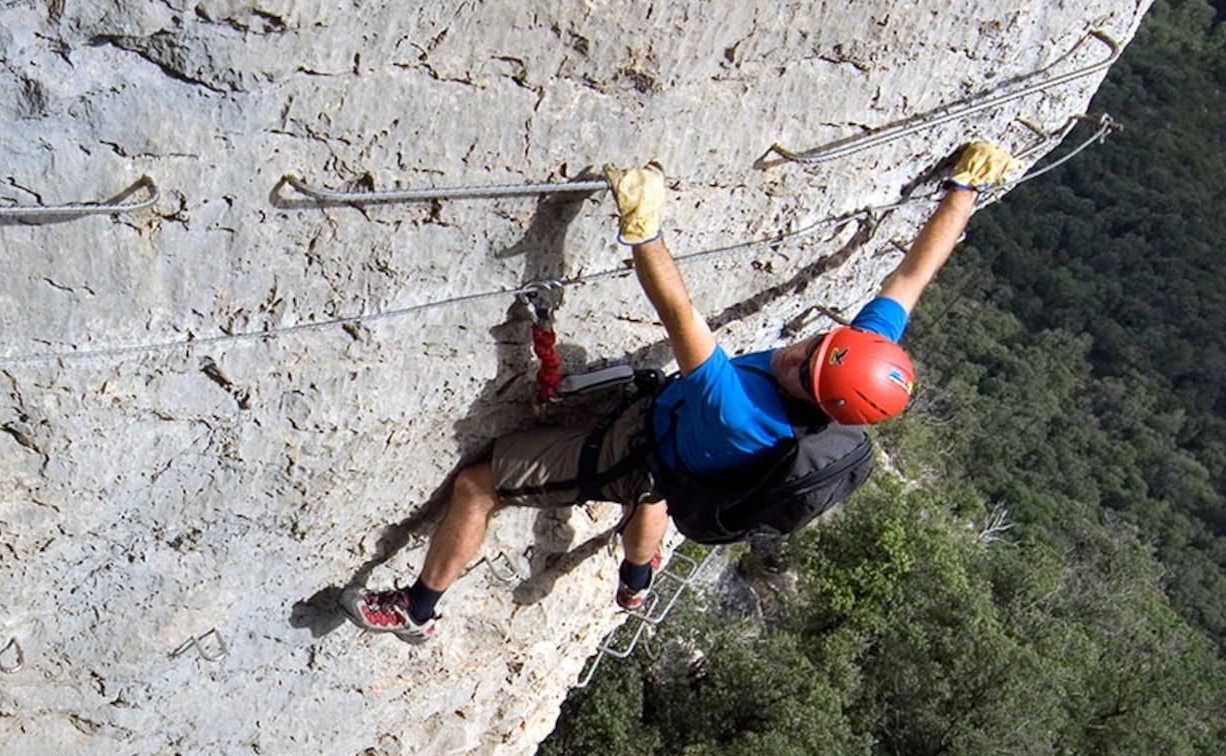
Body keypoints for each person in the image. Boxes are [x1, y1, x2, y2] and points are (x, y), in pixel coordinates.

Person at [345, 140, 1022, 642]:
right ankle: (638, 581)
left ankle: (417, 609)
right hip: (682, 460)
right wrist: (962, 189)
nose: (796, 351)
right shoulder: (852, 369)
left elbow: (679, 316)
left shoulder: (739, 408)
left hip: (642, 448)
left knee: (479, 486)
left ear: (816, 401)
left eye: (801, 367)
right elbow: (910, 279)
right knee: (654, 491)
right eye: (815, 342)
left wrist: (644, 229)